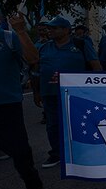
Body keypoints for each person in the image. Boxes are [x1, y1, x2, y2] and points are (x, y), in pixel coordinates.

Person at [37, 16, 102, 168]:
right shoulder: (44, 47)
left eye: (54, 28)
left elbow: (96, 66)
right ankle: (56, 154)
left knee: (78, 123)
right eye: (49, 28)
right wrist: (37, 92)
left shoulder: (80, 44)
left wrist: (96, 89)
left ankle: (82, 152)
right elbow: (36, 70)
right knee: (53, 125)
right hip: (50, 93)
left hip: (76, 94)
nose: (50, 30)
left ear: (66, 30)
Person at [0, 5, 43, 189]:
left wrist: (21, 31)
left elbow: (33, 58)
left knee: (19, 150)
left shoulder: (8, 37)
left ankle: (31, 178)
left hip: (7, 104)